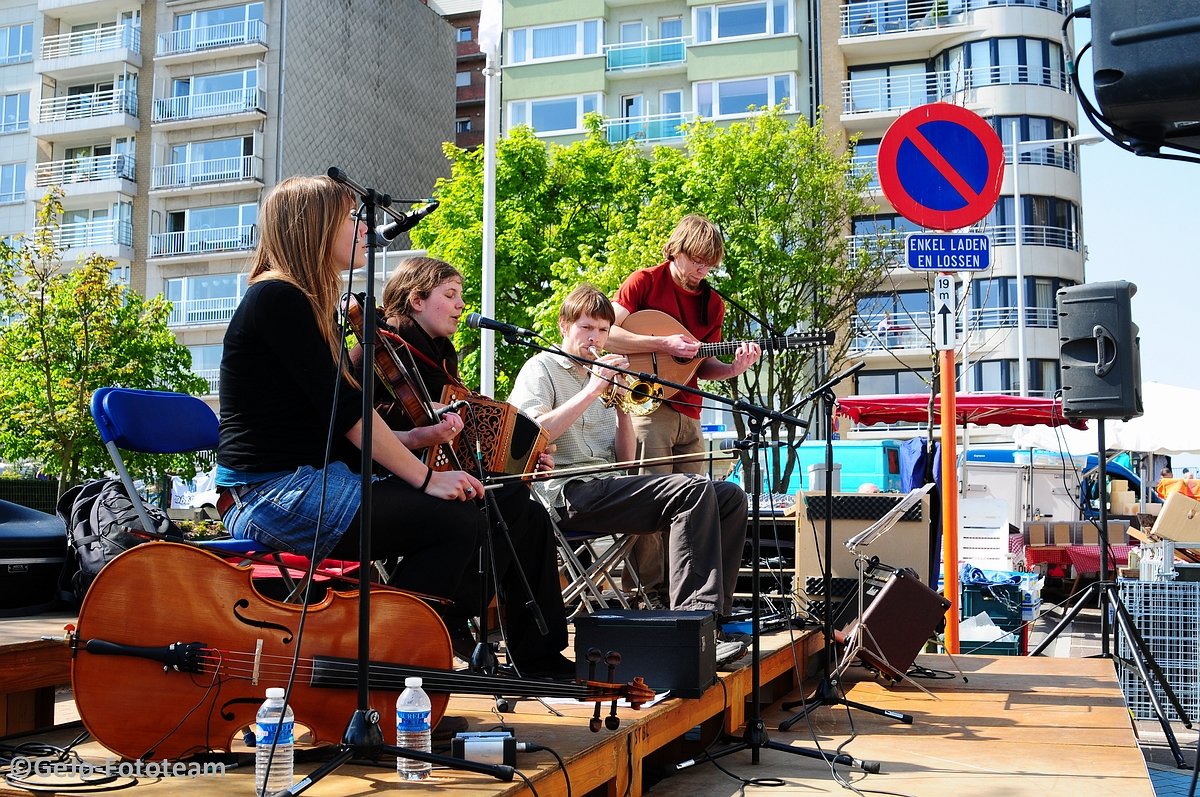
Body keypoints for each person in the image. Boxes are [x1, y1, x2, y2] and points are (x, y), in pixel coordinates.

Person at [215, 174, 486, 611]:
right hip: (272, 495)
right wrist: (427, 478)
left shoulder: (304, 303)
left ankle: (415, 646)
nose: (363, 227)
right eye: (349, 218)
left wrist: (415, 441)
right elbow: (347, 414)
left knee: (476, 512)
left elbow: (332, 422)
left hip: (305, 484)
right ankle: (394, 653)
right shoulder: (278, 299)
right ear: (315, 227)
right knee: (455, 521)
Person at [376, 256, 572, 679]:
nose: (461, 304)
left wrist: (520, 456)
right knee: (494, 508)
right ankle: (448, 618)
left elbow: (467, 428)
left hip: (439, 471)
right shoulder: (375, 349)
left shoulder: (441, 356)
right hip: (387, 474)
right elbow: (366, 421)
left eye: (460, 295)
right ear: (415, 299)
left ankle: (538, 654)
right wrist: (424, 422)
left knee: (530, 513)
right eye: (450, 295)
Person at [509, 284, 748, 621]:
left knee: (730, 496)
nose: (594, 338)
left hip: (606, 486)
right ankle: (693, 616)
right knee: (691, 489)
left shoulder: (603, 375)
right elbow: (531, 434)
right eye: (586, 327)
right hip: (567, 493)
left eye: (603, 330)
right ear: (564, 326)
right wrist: (593, 390)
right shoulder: (541, 368)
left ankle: (716, 615)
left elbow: (624, 459)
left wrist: (621, 403)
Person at [604, 214, 761, 606]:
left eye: (709, 262)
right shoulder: (643, 281)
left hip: (690, 413)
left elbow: (699, 364)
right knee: (649, 501)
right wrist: (662, 346)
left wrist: (733, 369)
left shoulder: (713, 304)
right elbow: (608, 334)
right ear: (676, 249)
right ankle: (646, 595)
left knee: (694, 510)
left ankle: (690, 600)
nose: (701, 269)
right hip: (646, 407)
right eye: (696, 259)